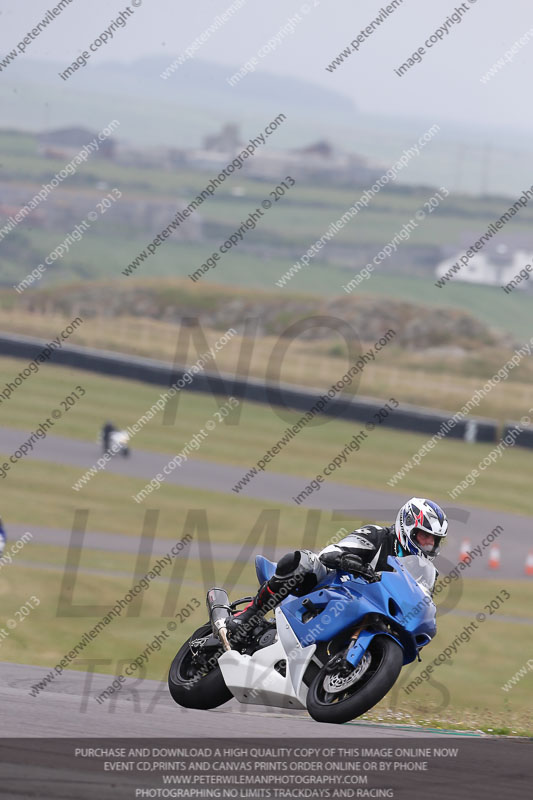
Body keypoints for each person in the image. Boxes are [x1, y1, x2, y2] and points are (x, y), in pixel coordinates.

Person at [227, 497, 448, 639]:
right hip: (335, 588)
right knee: (303, 562)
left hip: (374, 612)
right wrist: (349, 561)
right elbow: (329, 553)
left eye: (433, 540)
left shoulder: (427, 572)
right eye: (424, 536)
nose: (428, 543)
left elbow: (421, 602)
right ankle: (251, 614)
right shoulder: (377, 536)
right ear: (407, 526)